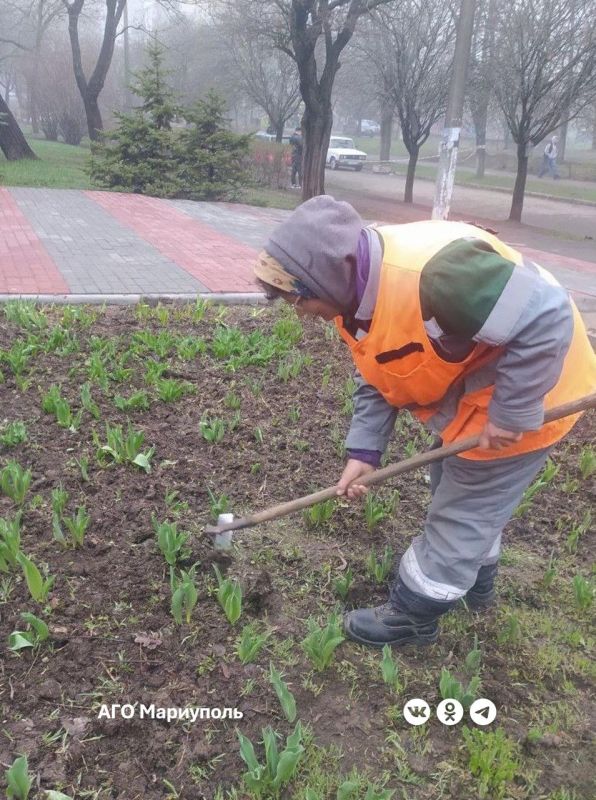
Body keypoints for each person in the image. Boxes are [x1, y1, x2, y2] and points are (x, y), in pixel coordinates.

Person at [253, 195, 596, 649]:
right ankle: (475, 585)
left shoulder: (440, 277)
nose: (300, 312)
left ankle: (413, 617)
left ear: (327, 276)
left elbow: (547, 315)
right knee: (455, 491)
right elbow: (377, 369)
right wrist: (364, 451)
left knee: (462, 512)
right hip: (478, 399)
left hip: (537, 389)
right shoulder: (355, 297)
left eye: (299, 298)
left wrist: (513, 410)